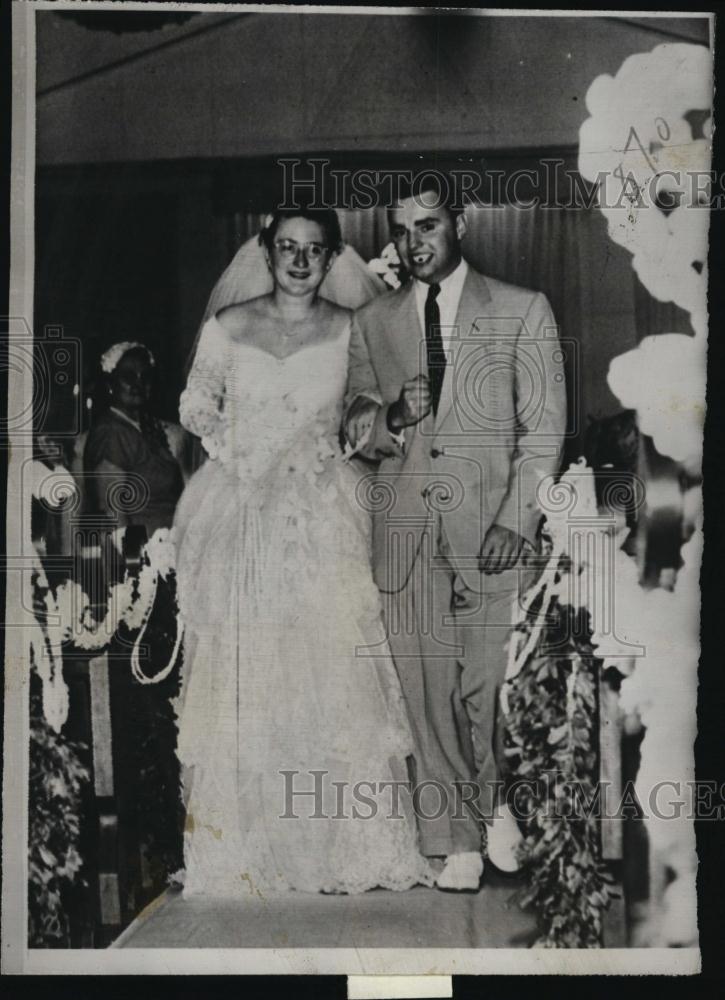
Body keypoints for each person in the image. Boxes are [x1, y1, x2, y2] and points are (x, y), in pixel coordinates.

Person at [173, 207, 434, 896]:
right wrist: (238, 450)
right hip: (244, 506)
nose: (298, 261)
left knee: (332, 663)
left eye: (312, 251)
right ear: (266, 252)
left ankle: (346, 847)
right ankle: (250, 846)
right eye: (285, 248)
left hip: (324, 505)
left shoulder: (351, 329)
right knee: (250, 664)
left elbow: (360, 414)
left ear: (330, 258)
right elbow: (196, 405)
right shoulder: (228, 326)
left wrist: (338, 443)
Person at [344, 174, 567, 891]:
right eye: (403, 230)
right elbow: (350, 426)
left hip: (488, 530)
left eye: (428, 227)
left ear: (459, 225)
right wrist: (393, 420)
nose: (415, 243)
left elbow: (544, 431)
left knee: (485, 682)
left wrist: (515, 519)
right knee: (425, 686)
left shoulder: (521, 309)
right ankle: (454, 840)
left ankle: (494, 800)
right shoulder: (370, 322)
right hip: (404, 532)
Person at [84, 342, 186, 536]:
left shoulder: (146, 428)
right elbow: (113, 511)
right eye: (129, 376)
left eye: (145, 377)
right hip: (139, 555)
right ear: (110, 384)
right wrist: (135, 563)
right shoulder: (111, 432)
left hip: (164, 548)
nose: (138, 383)